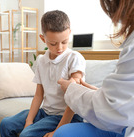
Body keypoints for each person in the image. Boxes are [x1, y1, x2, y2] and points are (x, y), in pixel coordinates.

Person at [0, 10, 86, 137]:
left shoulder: (74, 58)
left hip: (66, 116)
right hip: (46, 112)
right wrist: (28, 121)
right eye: (53, 43)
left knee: (26, 135)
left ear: (69, 33)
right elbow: (38, 95)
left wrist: (58, 131)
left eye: (64, 42)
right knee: (6, 124)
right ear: (43, 38)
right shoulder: (41, 60)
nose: (60, 48)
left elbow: (75, 99)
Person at [54, 0, 134, 137]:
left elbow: (114, 109)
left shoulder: (75, 57)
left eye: (64, 42)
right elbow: (124, 99)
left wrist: (71, 89)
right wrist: (101, 93)